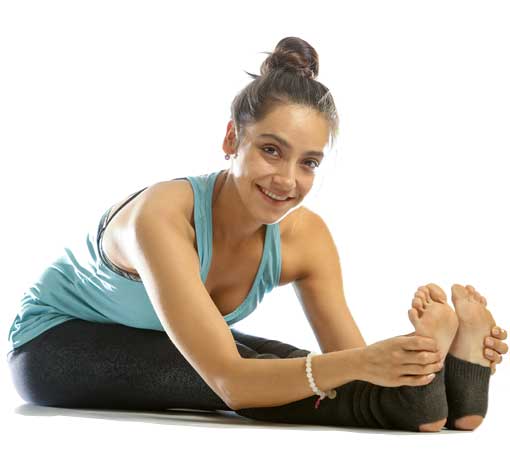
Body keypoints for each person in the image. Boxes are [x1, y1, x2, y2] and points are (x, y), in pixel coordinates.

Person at [6, 37, 508, 432]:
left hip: (153, 338)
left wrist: (412, 361)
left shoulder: (305, 238)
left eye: (308, 162)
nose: (288, 180)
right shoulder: (160, 216)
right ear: (232, 139)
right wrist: (366, 363)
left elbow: (349, 362)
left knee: (292, 368)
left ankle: (459, 396)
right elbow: (230, 381)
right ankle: (422, 404)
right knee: (249, 377)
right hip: (58, 345)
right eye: (271, 150)